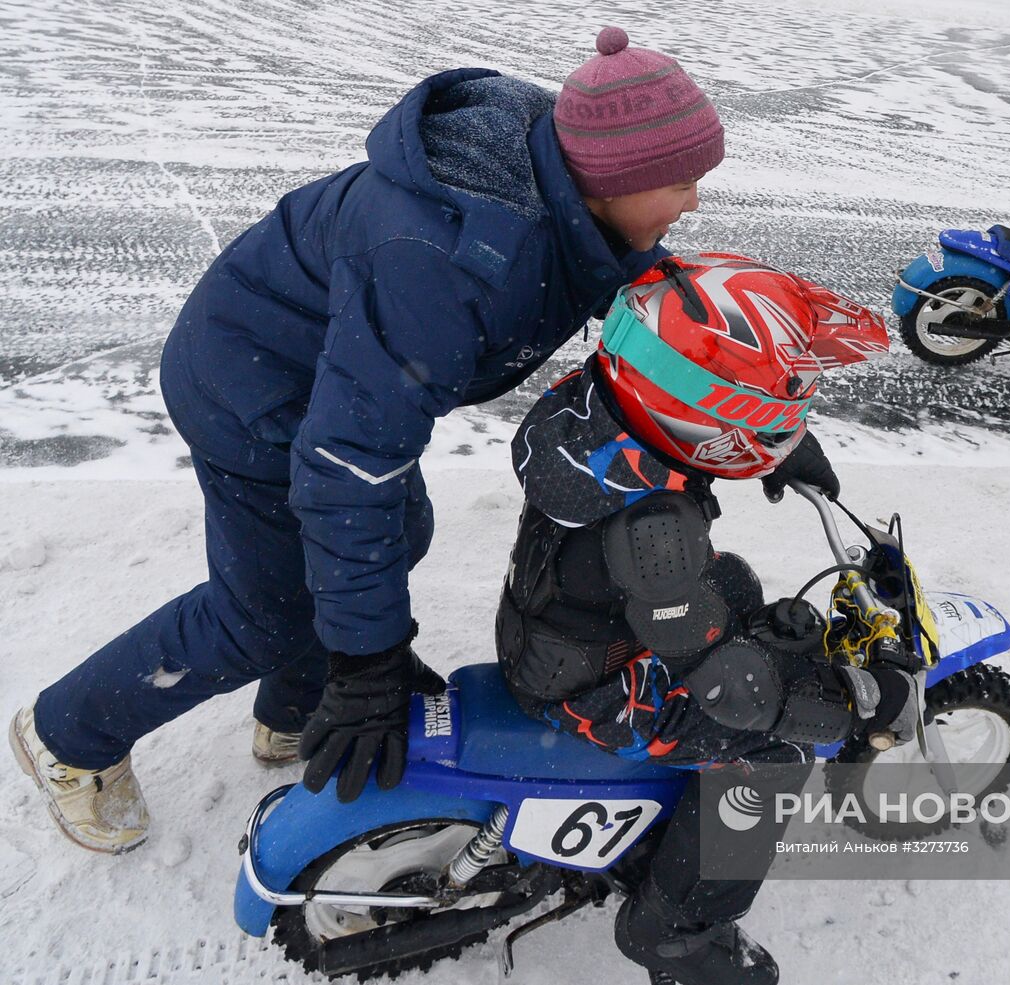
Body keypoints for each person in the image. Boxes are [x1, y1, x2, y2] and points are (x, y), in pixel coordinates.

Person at [9, 25, 726, 854]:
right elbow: (346, 474)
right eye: (680, 182)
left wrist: (743, 409)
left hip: (316, 366)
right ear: (613, 178)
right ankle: (68, 735)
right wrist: (368, 666)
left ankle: (294, 702)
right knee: (266, 610)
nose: (693, 203)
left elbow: (604, 270)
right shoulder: (448, 258)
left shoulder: (560, 187)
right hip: (250, 386)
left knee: (395, 532)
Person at [496, 253, 922, 985]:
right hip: (593, 691)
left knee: (730, 583)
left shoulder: (597, 405)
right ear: (722, 414)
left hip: (558, 624)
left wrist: (773, 450)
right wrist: (855, 701)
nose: (797, 405)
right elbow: (741, 694)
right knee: (774, 750)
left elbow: (679, 415)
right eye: (784, 397)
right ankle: (675, 928)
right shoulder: (656, 534)